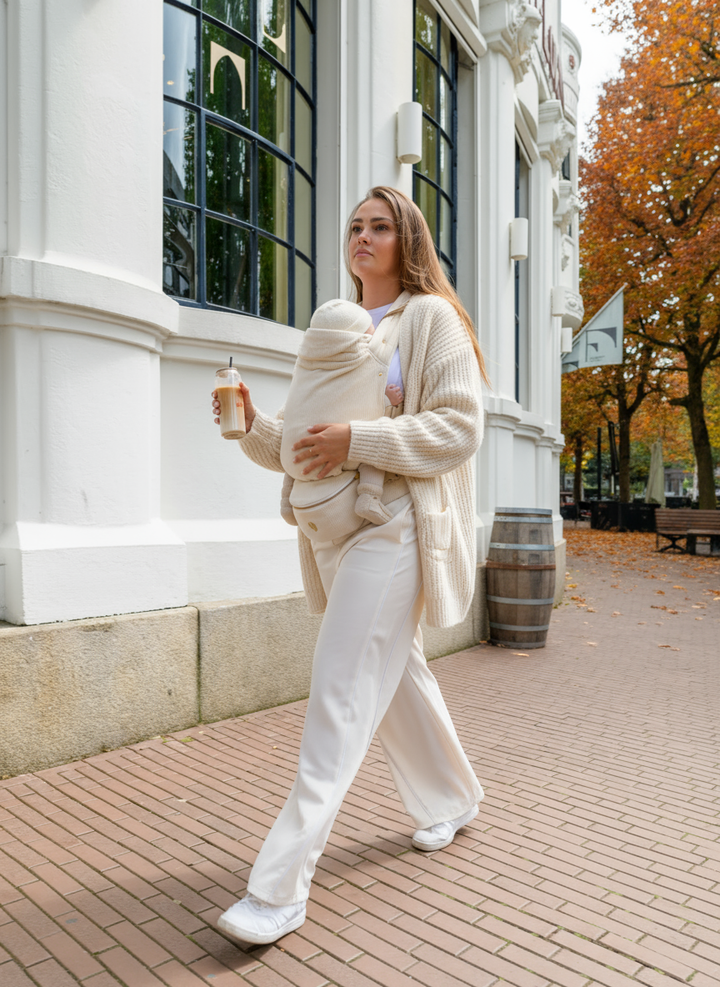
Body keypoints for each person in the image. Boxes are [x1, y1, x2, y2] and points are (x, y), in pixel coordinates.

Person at [211, 186, 490, 946]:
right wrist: (253, 423)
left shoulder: (428, 319)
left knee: (338, 690)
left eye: (381, 227)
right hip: (329, 533)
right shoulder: (333, 325)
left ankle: (277, 889)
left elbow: (461, 427)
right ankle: (450, 797)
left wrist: (358, 441)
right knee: (397, 675)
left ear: (408, 241)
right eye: (355, 227)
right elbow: (307, 448)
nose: (363, 237)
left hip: (393, 526)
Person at [278, 297, 405, 536]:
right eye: (370, 330)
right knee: (374, 438)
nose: (374, 332)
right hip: (341, 456)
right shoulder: (364, 360)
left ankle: (286, 502)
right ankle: (369, 496)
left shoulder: (307, 366)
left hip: (293, 457)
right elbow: (368, 396)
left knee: (294, 443)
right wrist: (389, 398)